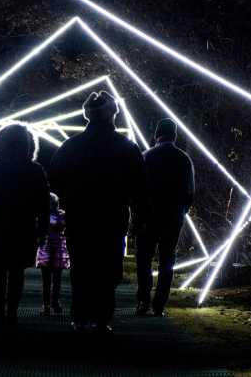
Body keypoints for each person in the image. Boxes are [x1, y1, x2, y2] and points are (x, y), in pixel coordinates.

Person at [50, 91, 147, 333]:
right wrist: (137, 216)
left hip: (79, 216)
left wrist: (69, 198)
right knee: (108, 267)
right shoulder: (127, 148)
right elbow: (140, 186)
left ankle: (81, 316)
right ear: (113, 115)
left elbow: (54, 179)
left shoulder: (70, 146)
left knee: (81, 267)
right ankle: (102, 317)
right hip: (112, 218)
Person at [0, 122, 50, 327]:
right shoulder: (34, 170)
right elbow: (43, 203)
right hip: (22, 227)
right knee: (17, 271)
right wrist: (43, 230)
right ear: (28, 145)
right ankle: (12, 312)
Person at [135, 118, 195, 317]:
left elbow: (137, 190)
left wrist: (137, 215)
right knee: (167, 261)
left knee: (144, 259)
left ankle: (143, 300)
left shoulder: (146, 157)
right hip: (172, 217)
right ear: (175, 135)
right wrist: (181, 211)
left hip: (148, 216)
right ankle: (159, 305)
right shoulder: (184, 159)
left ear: (156, 135)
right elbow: (190, 192)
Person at [36, 192, 70, 316]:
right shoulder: (62, 216)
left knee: (46, 280)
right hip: (59, 250)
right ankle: (55, 302)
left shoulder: (42, 217)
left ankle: (46, 306)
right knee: (57, 279)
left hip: (46, 249)